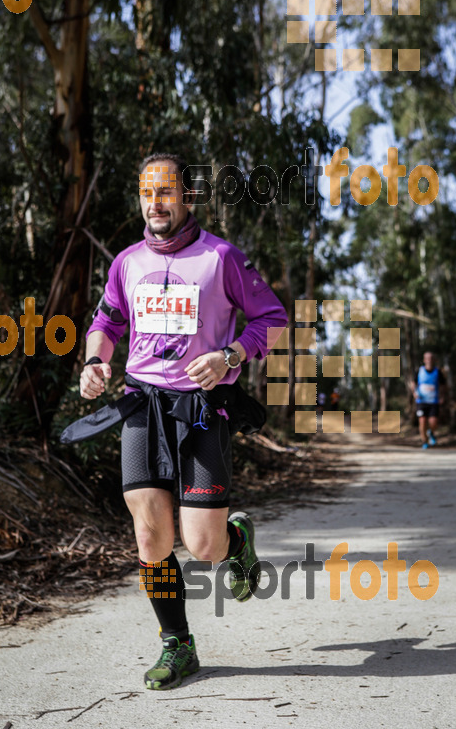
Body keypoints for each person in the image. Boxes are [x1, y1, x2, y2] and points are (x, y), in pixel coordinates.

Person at [76, 153, 287, 691]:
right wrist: (95, 360)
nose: (156, 203)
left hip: (199, 408)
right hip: (142, 405)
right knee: (149, 533)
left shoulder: (221, 258)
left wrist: (231, 357)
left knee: (203, 547)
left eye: (166, 192)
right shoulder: (126, 263)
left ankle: (235, 541)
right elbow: (107, 320)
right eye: (148, 193)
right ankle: (178, 644)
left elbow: (274, 319)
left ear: (187, 197)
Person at [411, 351, 446, 449]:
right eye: (427, 358)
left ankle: (431, 432)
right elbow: (413, 383)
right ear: (424, 360)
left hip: (433, 401)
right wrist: (414, 392)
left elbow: (443, 385)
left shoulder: (438, 372)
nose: (429, 360)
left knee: (433, 422)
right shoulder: (419, 370)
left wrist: (442, 396)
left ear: (434, 360)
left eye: (431, 358)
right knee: (422, 421)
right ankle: (424, 441)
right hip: (421, 401)